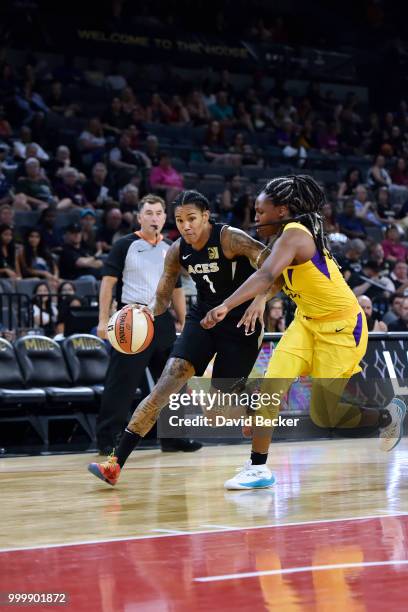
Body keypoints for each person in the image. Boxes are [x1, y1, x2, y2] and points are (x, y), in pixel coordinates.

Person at [201, 175, 406, 489]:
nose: (255, 217)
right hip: (306, 323)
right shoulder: (285, 236)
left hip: (341, 328)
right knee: (270, 389)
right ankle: (257, 468)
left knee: (326, 416)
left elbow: (268, 272)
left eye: (260, 211)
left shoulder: (295, 234)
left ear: (282, 210)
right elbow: (278, 280)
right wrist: (259, 299)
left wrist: (226, 305)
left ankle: (387, 416)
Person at [88, 189, 273, 484]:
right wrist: (148, 312)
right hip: (203, 318)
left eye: (191, 219)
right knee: (163, 387)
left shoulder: (230, 238)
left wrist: (260, 300)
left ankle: (251, 399)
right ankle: (115, 464)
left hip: (241, 322)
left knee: (216, 415)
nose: (186, 225)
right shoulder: (176, 251)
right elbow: (162, 293)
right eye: (180, 220)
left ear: (205, 217)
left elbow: (273, 267)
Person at [94, 193, 198, 455]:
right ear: (139, 217)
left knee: (175, 378)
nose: (154, 218)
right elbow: (108, 282)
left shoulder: (171, 248)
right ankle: (109, 439)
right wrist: (103, 320)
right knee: (122, 382)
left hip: (162, 320)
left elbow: (176, 288)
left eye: (159, 213)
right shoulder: (124, 245)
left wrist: (184, 322)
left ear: (166, 217)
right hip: (132, 319)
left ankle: (173, 437)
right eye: (149, 213)